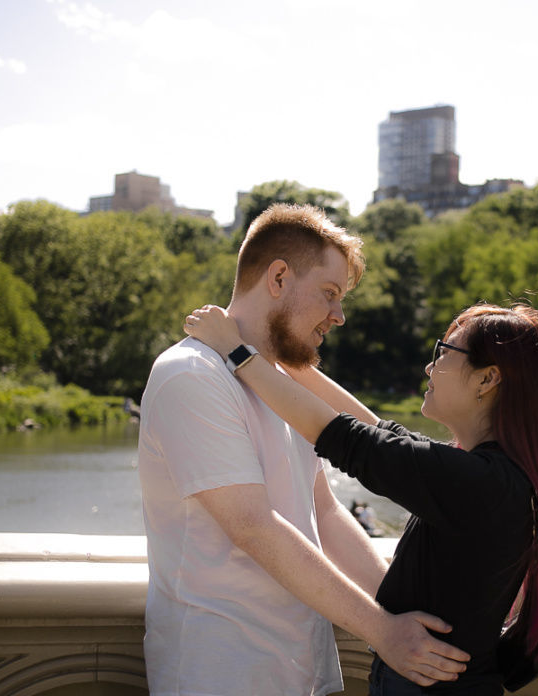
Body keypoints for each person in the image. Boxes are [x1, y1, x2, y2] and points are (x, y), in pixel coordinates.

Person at [138, 203, 469, 696]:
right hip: (219, 671)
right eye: (330, 294)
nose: (338, 316)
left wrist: (402, 611)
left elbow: (326, 514)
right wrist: (383, 632)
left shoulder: (278, 386)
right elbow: (254, 527)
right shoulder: (191, 376)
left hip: (303, 670)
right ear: (277, 278)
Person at [184, 302, 538, 695]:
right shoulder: (496, 477)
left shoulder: (480, 483)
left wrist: (235, 351)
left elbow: (341, 435)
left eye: (444, 353)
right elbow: (374, 429)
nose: (430, 367)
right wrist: (282, 359)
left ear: (486, 379)